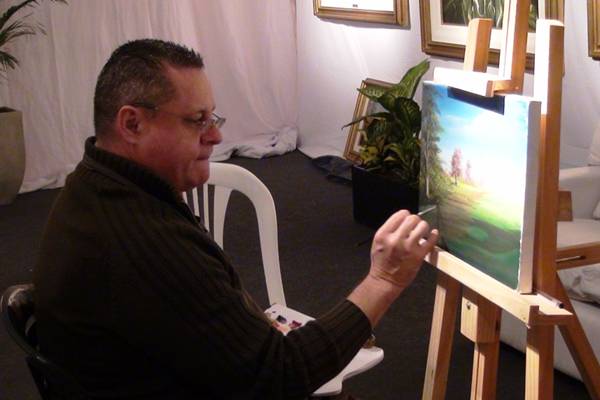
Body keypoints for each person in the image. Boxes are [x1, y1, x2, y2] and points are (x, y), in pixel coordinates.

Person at [34, 39, 438, 400]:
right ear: (132, 124)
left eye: (213, 118)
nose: (215, 136)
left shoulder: (93, 186)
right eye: (197, 120)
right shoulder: (143, 239)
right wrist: (383, 280)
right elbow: (282, 374)